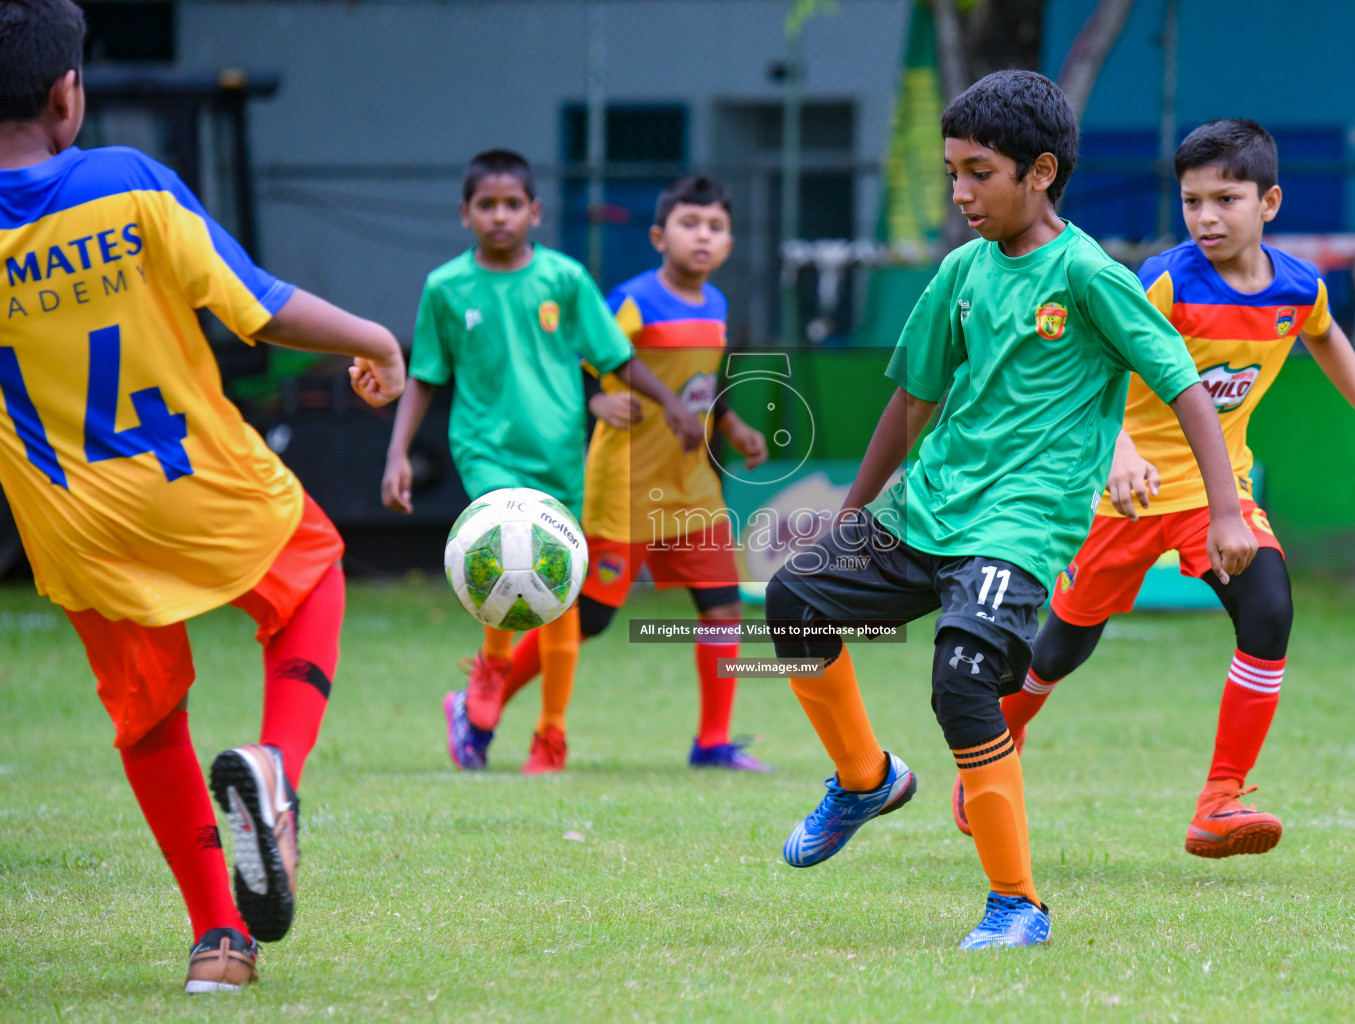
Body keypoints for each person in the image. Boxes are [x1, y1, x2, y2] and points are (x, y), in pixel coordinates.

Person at [763, 71, 1256, 950]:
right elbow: (913, 400)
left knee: (961, 679)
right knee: (793, 599)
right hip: (927, 509)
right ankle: (864, 777)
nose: (959, 193)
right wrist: (852, 511)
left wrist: (1226, 512)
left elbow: (1182, 383)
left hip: (1020, 528)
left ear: (1039, 172)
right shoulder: (961, 270)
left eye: (977, 172)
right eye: (952, 171)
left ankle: (1017, 904)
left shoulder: (1090, 275)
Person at [0, 0, 406, 992]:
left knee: (147, 717)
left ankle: (219, 942)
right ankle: (276, 774)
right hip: (197, 479)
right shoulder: (127, 187)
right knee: (311, 576)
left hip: (73, 522)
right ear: (68, 94)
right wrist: (372, 339)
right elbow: (258, 303)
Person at [950, 118, 1355, 859]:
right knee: (1058, 651)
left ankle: (1220, 802)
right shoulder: (1164, 279)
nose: (1207, 217)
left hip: (1214, 496)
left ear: (1271, 202)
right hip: (1118, 495)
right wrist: (1119, 448)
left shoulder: (1296, 286)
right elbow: (1094, 362)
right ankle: (1000, 739)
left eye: (1226, 199)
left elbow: (1321, 331)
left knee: (1268, 609)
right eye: (1192, 201)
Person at [380, 149, 703, 773]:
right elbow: (423, 376)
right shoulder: (446, 288)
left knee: (557, 598)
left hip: (559, 456)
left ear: (534, 211)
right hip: (486, 452)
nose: (499, 217)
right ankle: (494, 663)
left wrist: (669, 403)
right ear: (464, 214)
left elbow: (616, 356)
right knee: (502, 551)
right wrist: (398, 452)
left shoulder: (563, 279)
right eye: (485, 206)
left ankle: (549, 735)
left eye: (511, 205)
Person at [477, 175, 773, 770]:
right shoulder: (629, 300)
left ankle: (712, 743)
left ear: (729, 245)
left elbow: (699, 385)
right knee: (591, 617)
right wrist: (595, 400)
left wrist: (731, 424)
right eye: (690, 224)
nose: (703, 237)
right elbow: (568, 361)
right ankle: (477, 702)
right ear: (660, 236)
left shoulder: (716, 305)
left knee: (722, 607)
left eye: (715, 228)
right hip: (627, 485)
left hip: (692, 488)